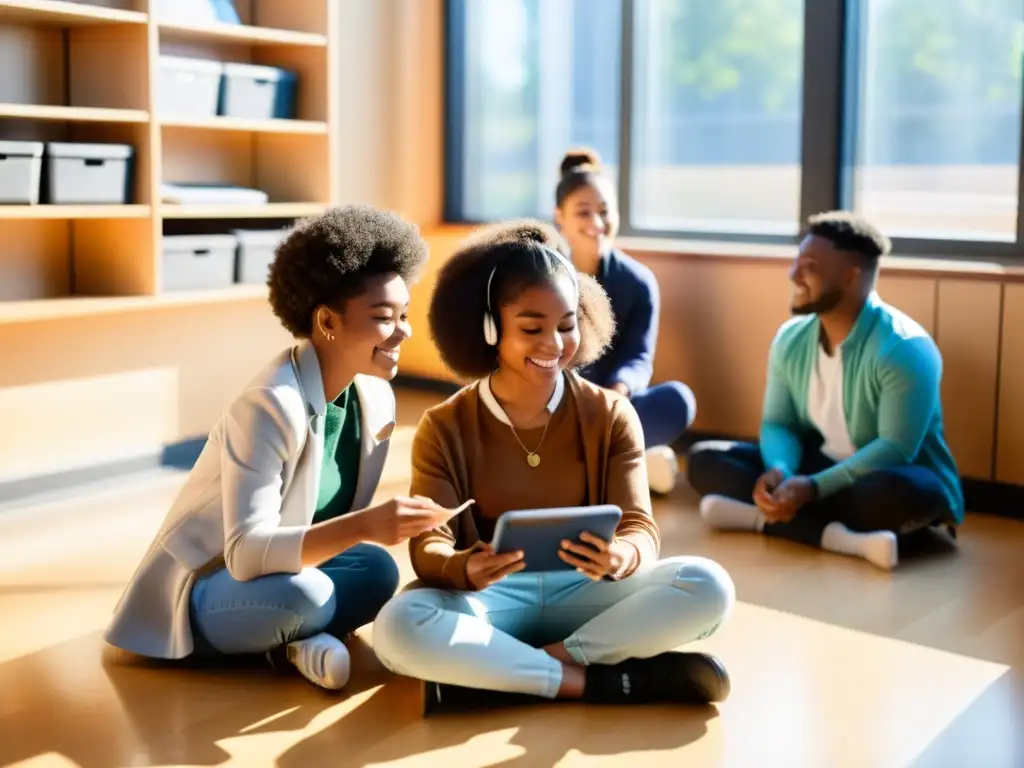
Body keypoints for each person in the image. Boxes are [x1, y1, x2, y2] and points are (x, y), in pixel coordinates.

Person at [371, 220, 735, 715]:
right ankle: (600, 683)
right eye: (531, 328)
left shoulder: (610, 414)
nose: (554, 344)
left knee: (708, 585)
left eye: (565, 325)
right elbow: (429, 543)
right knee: (397, 625)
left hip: (588, 592)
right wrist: (462, 565)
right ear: (489, 327)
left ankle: (522, 672)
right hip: (493, 597)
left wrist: (621, 557)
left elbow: (640, 527)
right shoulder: (445, 425)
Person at [104, 205, 459, 691]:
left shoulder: (374, 396)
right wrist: (369, 524)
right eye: (384, 318)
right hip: (211, 584)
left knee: (378, 571)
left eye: (403, 314)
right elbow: (246, 555)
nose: (403, 332)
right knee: (308, 595)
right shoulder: (269, 406)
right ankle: (296, 634)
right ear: (328, 321)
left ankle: (291, 645)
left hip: (288, 574)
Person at [686, 211, 964, 571]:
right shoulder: (790, 339)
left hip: (891, 477)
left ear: (850, 277)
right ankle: (843, 538)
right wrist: (781, 472)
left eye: (810, 266)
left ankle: (760, 519)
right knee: (704, 460)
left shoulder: (904, 348)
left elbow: (896, 449)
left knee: (883, 499)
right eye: (796, 263)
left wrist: (814, 488)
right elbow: (778, 422)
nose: (793, 275)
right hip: (818, 469)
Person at [553, 147, 697, 496]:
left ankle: (597, 463)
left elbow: (638, 358)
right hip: (552, 407)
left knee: (679, 400)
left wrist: (615, 396)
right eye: (584, 213)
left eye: (605, 212)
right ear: (560, 217)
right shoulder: (542, 276)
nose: (597, 224)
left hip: (611, 410)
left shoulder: (638, 281)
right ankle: (630, 464)